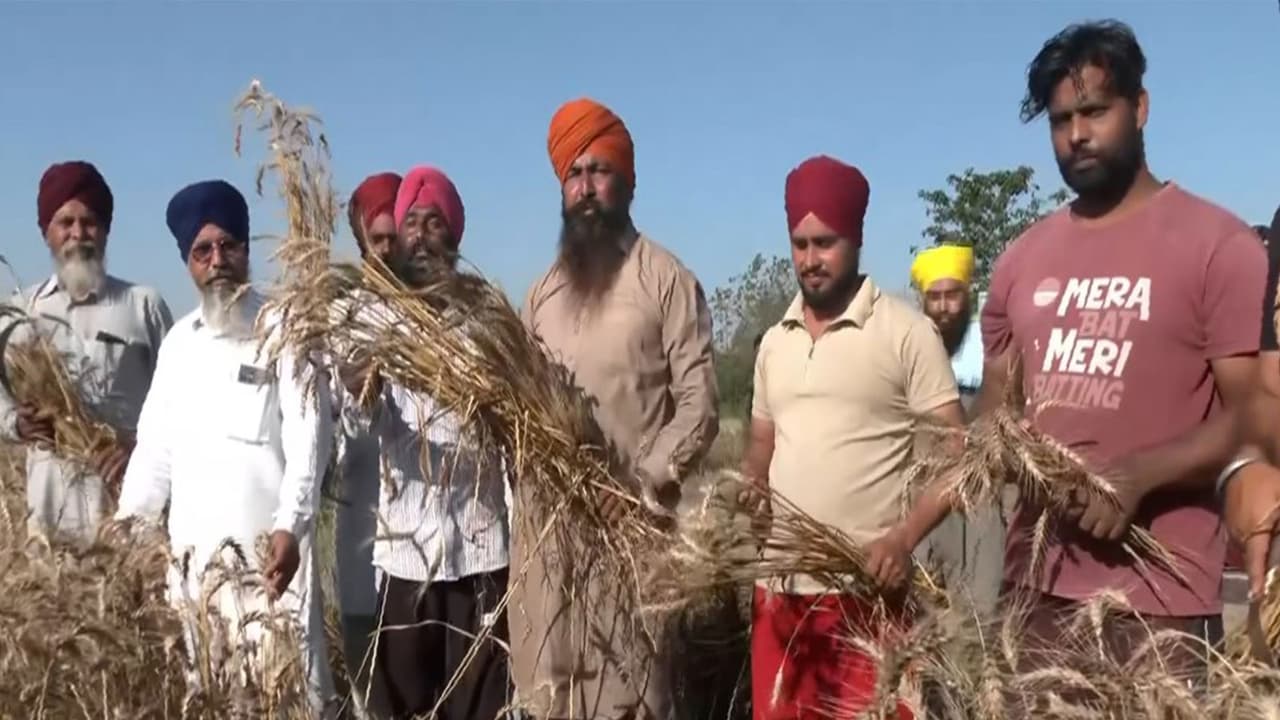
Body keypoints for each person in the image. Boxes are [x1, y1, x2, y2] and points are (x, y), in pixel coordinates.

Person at [890, 20, 1269, 691]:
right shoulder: (1021, 261)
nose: (1077, 135)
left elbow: (1255, 417)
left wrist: (1140, 475)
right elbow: (993, 425)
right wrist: (922, 517)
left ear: (1141, 107)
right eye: (1062, 120)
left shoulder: (1220, 244)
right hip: (1035, 595)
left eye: (1095, 110)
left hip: (1162, 608)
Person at [740, 155, 964, 720]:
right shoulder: (774, 343)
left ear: (857, 238)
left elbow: (959, 458)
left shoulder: (906, 333)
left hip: (868, 599)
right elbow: (761, 445)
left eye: (825, 242)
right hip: (782, 597)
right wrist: (751, 485)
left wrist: (903, 539)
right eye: (800, 244)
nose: (810, 260)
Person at [518, 97, 719, 720]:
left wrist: (642, 480)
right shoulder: (541, 293)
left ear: (628, 180)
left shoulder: (666, 280)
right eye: (573, 174)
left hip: (630, 536)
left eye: (598, 171)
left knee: (629, 699)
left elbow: (700, 406)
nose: (585, 188)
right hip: (546, 549)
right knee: (550, 697)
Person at [114, 179, 336, 715]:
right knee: (210, 699)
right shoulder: (178, 345)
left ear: (246, 249)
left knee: (286, 699)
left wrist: (291, 524)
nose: (218, 261)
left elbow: (310, 437)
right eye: (202, 251)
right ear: (189, 262)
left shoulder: (285, 326)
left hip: (273, 570)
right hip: (197, 583)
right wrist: (127, 542)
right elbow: (153, 455)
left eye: (228, 246)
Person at [341, 165, 511, 720]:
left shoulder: (487, 319)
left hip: (480, 556)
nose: (417, 234)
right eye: (409, 221)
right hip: (405, 556)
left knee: (478, 708)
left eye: (432, 221)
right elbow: (359, 426)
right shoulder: (375, 319)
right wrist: (357, 390)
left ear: (455, 237)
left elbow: (516, 429)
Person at [0, 160, 172, 540]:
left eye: (90, 222)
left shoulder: (143, 306)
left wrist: (139, 447)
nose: (78, 233)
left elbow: (181, 401)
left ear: (106, 230)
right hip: (48, 516)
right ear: (47, 232)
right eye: (66, 223)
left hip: (128, 507)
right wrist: (17, 423)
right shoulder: (20, 313)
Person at [331, 171, 402, 713]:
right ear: (361, 242)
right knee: (369, 694)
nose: (387, 249)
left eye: (394, 236)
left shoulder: (437, 316)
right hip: (361, 532)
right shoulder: (340, 317)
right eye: (376, 240)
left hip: (426, 554)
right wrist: (354, 399)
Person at [909, 243, 1003, 616]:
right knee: (926, 598)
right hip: (925, 481)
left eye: (952, 295)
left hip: (981, 490)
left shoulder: (991, 344)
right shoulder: (911, 343)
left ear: (968, 295)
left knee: (980, 603)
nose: (944, 307)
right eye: (935, 297)